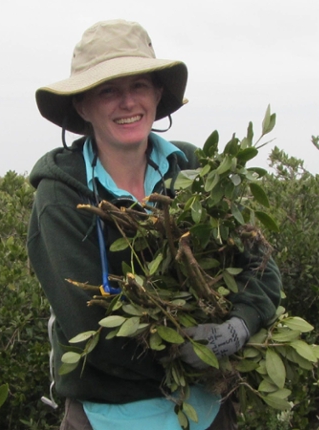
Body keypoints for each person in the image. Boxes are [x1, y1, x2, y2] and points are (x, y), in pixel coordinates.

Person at [27, 19, 282, 430]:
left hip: (207, 412)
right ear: (82, 105)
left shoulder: (196, 172)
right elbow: (91, 332)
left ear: (157, 93)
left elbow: (261, 268)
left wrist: (238, 327)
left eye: (139, 86)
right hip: (107, 415)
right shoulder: (60, 195)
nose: (127, 102)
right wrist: (192, 350)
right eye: (108, 90)